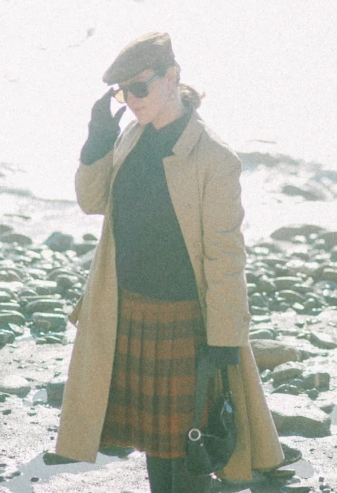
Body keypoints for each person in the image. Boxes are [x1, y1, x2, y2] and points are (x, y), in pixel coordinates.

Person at [56, 32, 284, 492]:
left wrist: (223, 337)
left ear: (173, 77)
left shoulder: (215, 158)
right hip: (128, 310)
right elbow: (92, 201)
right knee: (156, 445)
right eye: (124, 92)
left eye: (140, 88)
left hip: (187, 321)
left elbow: (225, 255)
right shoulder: (130, 137)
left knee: (191, 450)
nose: (132, 100)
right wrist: (96, 143)